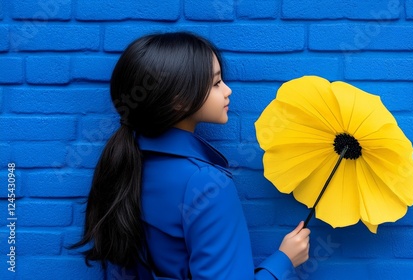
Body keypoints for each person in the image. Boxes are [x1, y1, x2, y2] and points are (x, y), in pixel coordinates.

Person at [71, 32, 311, 279]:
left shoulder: (127, 164)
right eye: (216, 83)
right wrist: (283, 262)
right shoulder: (206, 184)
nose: (227, 91)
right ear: (179, 101)